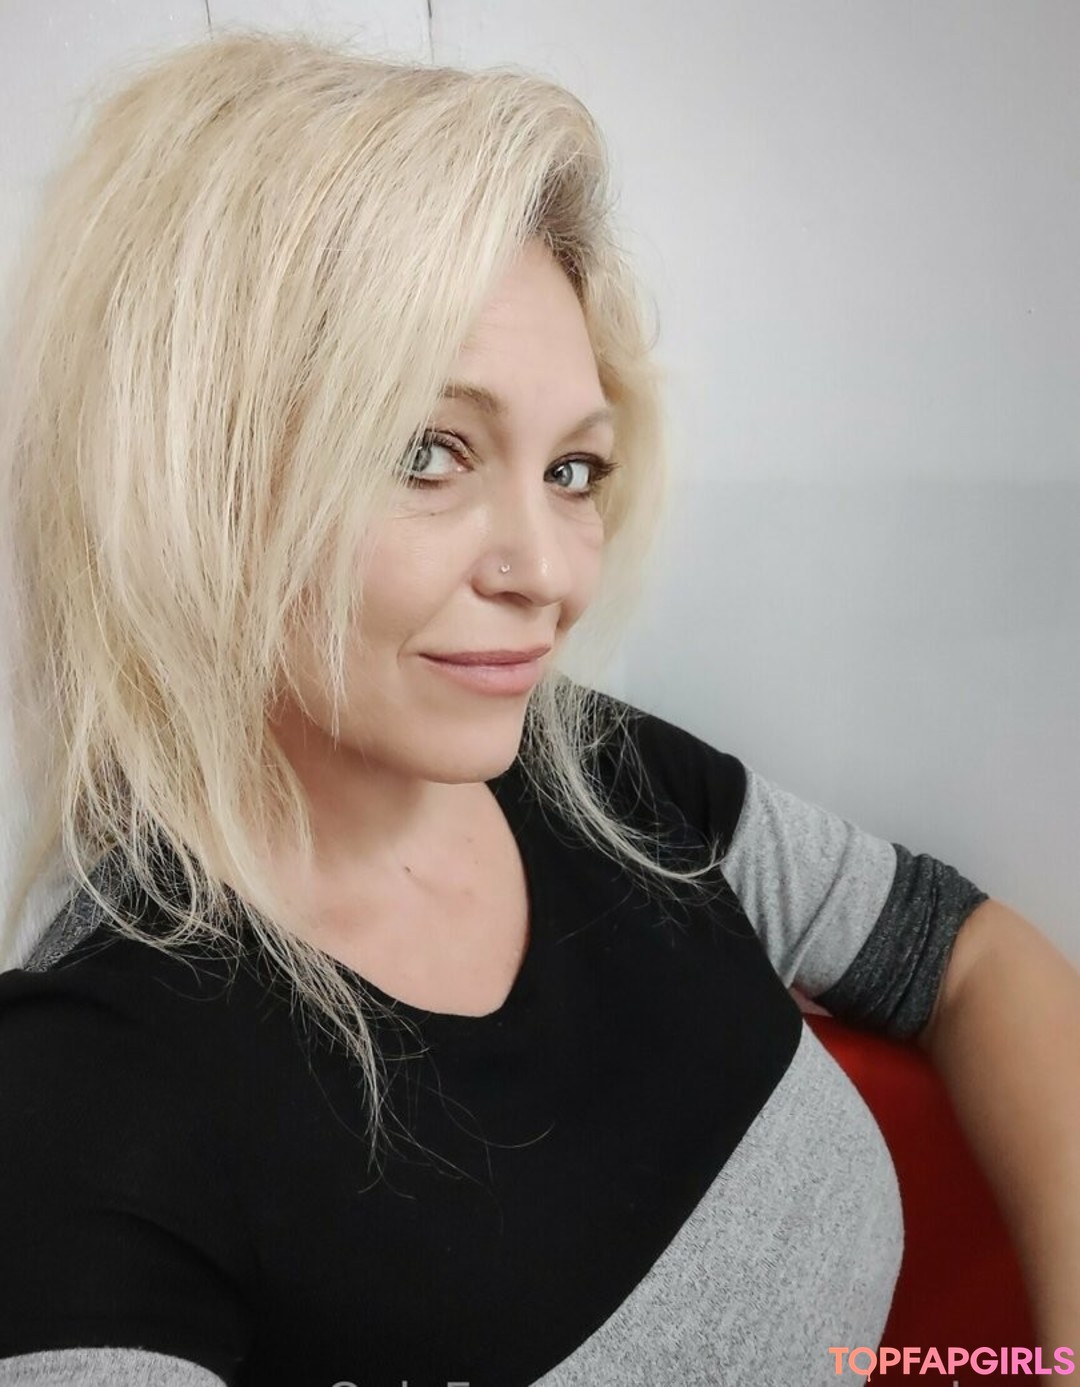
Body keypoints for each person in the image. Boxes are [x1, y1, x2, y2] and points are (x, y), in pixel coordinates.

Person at [0, 30, 1076, 1387]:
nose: (552, 576)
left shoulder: (597, 771)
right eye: (428, 450)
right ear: (187, 474)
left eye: (574, 470)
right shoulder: (89, 1089)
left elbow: (969, 957)